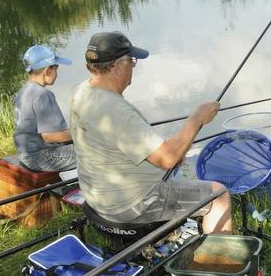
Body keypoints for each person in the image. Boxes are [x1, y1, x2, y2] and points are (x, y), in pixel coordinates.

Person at [70, 31, 232, 234]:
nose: (133, 67)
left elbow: (133, 147)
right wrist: (197, 118)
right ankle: (220, 262)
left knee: (176, 162)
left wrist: (173, 153)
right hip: (131, 205)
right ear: (117, 66)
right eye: (132, 61)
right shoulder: (116, 110)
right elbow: (167, 159)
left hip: (98, 198)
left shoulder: (82, 91)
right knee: (218, 195)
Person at [14, 45, 75, 171]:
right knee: (94, 153)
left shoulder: (24, 91)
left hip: (26, 154)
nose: (57, 75)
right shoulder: (42, 95)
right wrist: (82, 134)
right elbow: (50, 136)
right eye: (56, 69)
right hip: (42, 156)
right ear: (47, 70)